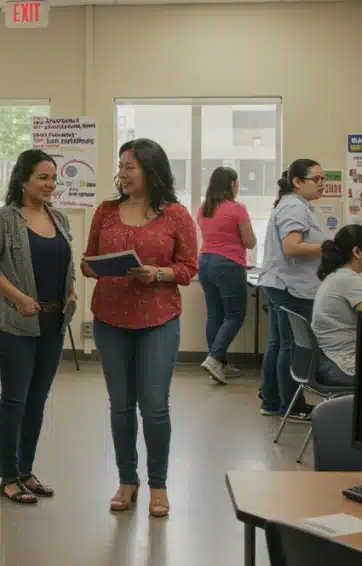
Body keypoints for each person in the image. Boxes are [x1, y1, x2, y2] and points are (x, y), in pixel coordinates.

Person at [82, 139, 197, 518]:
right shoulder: (106, 211)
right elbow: (88, 261)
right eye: (121, 166)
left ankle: (159, 485)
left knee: (154, 406)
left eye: (130, 167)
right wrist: (93, 266)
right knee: (120, 405)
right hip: (110, 317)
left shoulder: (176, 215)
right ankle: (126, 480)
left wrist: (158, 273)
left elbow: (188, 268)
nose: (123, 173)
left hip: (158, 318)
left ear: (151, 170)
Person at [0, 149, 77, 506]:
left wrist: (71, 289)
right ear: (23, 180)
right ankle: (8, 476)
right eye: (43, 177)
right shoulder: (4, 218)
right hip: (15, 324)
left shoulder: (60, 219)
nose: (50, 184)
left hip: (53, 322)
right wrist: (17, 296)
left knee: (37, 400)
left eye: (53, 178)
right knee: (15, 399)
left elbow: (66, 262)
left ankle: (25, 470)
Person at [257, 158, 326, 423]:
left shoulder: (295, 206)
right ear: (297, 182)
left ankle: (272, 399)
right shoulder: (294, 208)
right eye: (316, 180)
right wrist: (330, 248)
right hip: (290, 288)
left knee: (278, 343)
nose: (322, 185)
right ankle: (291, 404)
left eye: (323, 179)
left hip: (281, 284)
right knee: (292, 346)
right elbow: (292, 247)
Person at [196, 166, 257, 384]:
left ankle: (219, 364)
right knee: (235, 315)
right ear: (231, 184)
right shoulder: (237, 209)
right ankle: (214, 359)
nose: (238, 186)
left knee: (215, 315)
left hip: (204, 262)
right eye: (237, 182)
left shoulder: (204, 208)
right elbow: (250, 241)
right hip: (228, 264)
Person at [312, 225, 362, 387]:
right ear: (357, 252)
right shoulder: (349, 280)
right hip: (340, 364)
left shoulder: (338, 274)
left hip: (325, 358)